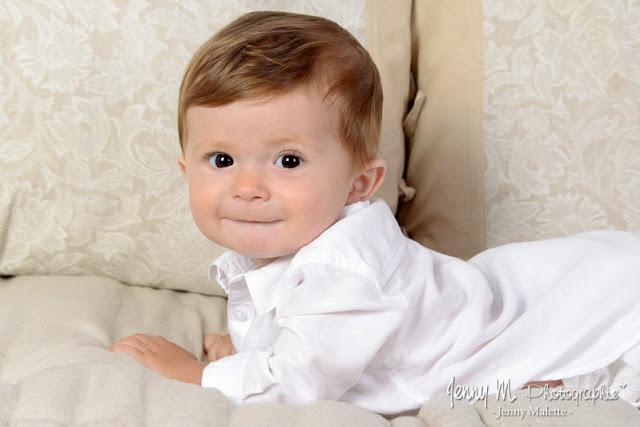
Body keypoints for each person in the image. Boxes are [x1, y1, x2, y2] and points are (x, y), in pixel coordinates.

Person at [110, 11, 640, 415]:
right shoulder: (294, 243)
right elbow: (310, 335)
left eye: (288, 160)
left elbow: (300, 384)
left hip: (596, 321)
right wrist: (251, 353)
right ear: (185, 169)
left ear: (358, 184)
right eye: (221, 159)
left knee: (588, 367)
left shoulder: (344, 270)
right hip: (508, 301)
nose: (248, 187)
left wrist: (197, 376)